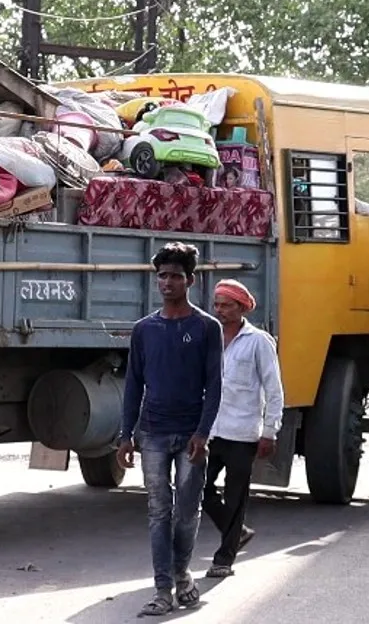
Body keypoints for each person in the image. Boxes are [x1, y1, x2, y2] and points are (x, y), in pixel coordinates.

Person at [117, 242, 224, 617]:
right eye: (162, 276)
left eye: (175, 276)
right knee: (159, 510)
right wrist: (125, 434)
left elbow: (215, 385)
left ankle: (181, 573)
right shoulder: (144, 330)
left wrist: (203, 433)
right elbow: (133, 384)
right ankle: (164, 588)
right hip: (153, 434)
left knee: (187, 512)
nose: (167, 283)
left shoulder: (206, 328)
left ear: (189, 281)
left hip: (191, 435)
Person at [202, 279, 284, 579]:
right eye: (217, 305)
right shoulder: (210, 337)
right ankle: (236, 532)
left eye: (227, 306)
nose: (220, 311)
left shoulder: (258, 341)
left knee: (236, 497)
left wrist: (269, 432)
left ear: (241, 307)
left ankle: (224, 558)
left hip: (243, 432)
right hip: (210, 431)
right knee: (200, 488)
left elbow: (273, 389)